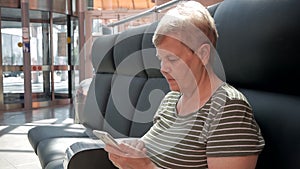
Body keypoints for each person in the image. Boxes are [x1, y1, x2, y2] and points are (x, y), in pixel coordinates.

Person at [104, 1, 265, 169]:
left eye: (172, 59)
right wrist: (134, 149)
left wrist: (145, 167)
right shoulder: (171, 99)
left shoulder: (227, 109)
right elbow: (150, 149)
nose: (163, 69)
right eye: (161, 59)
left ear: (202, 54)